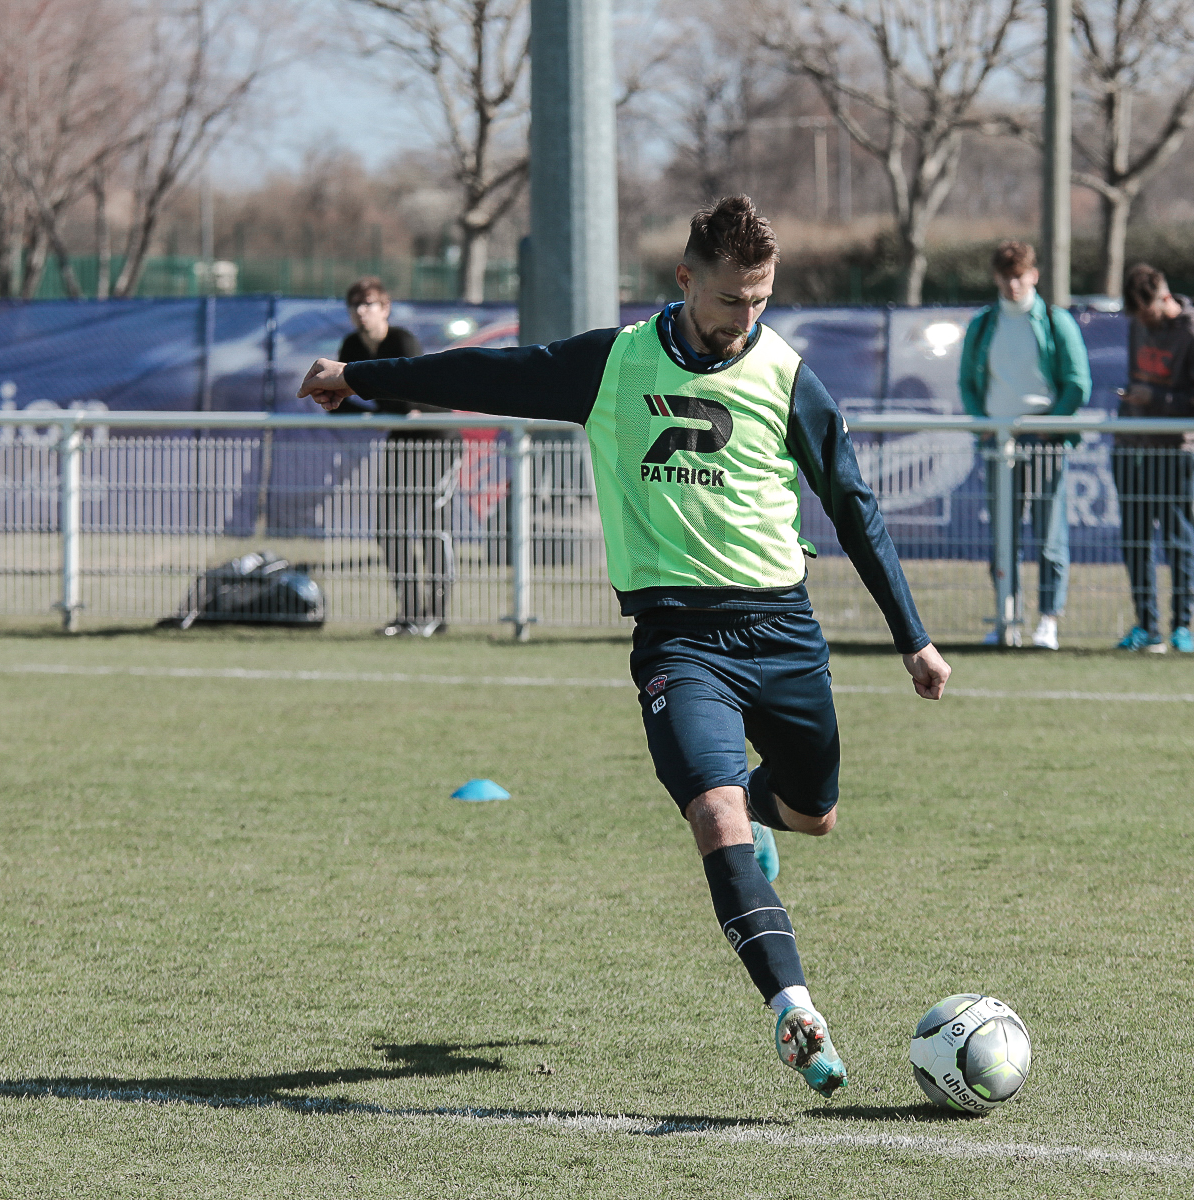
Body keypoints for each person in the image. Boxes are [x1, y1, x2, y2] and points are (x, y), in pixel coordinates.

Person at [298, 196, 952, 1099]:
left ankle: (770, 817)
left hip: (784, 633)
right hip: (680, 641)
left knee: (812, 816)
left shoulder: (788, 377)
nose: (746, 319)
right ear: (685, 282)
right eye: (731, 300)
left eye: (761, 300)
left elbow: (854, 505)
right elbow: (493, 375)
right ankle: (793, 1009)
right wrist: (358, 377)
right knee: (715, 817)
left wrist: (912, 639)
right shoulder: (614, 365)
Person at [957, 240, 1091, 649]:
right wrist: (982, 423)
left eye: (1020, 276)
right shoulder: (984, 323)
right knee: (1004, 536)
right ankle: (1006, 617)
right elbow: (968, 381)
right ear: (997, 278)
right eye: (1005, 277)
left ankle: (1048, 619)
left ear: (1034, 275)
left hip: (1046, 441)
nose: (1013, 284)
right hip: (1000, 441)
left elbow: (1077, 382)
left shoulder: (1055, 320)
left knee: (1049, 534)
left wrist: (1053, 423)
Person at [335, 277, 458, 638]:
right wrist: (366, 416)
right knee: (389, 528)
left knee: (432, 528)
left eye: (369, 304)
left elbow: (409, 398)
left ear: (385, 308)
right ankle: (407, 614)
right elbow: (337, 400)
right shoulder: (350, 345)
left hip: (437, 441)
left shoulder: (402, 341)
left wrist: (383, 413)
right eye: (355, 304)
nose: (361, 311)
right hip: (400, 442)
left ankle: (435, 616)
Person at [1112, 263, 1194, 654]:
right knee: (1135, 538)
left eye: (1148, 312)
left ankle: (1183, 625)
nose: (1144, 321)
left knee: (1178, 538)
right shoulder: (1137, 325)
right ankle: (1146, 624)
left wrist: (1158, 400)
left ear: (1164, 297)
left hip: (1175, 448)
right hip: (1132, 446)